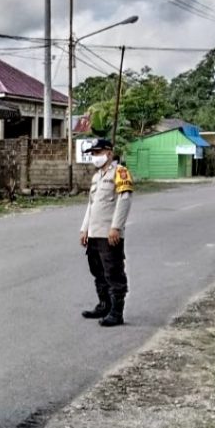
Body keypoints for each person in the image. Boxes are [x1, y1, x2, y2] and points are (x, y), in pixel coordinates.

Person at [79, 138, 133, 327]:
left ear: (109, 153)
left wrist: (116, 227)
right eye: (93, 153)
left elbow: (124, 200)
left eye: (99, 153)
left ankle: (116, 313)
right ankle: (104, 305)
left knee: (113, 272)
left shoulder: (121, 172)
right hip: (95, 233)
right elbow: (91, 205)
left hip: (109, 233)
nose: (96, 157)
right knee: (98, 271)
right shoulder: (97, 176)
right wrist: (84, 229)